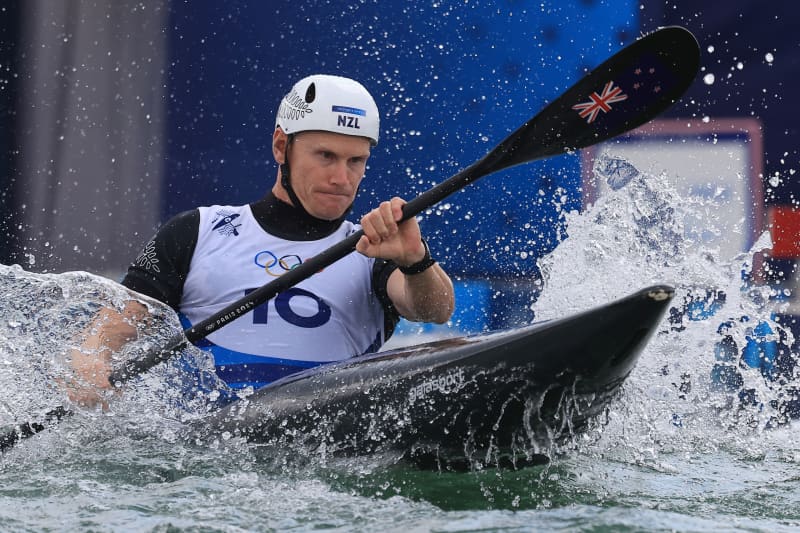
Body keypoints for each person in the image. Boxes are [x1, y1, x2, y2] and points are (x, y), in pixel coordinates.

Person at [68, 74, 455, 406]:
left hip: (323, 441)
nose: (342, 178)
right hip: (208, 446)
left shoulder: (372, 248)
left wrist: (416, 260)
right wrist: (91, 366)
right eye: (325, 156)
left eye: (356, 161)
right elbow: (111, 331)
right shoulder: (197, 231)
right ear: (281, 146)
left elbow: (435, 311)